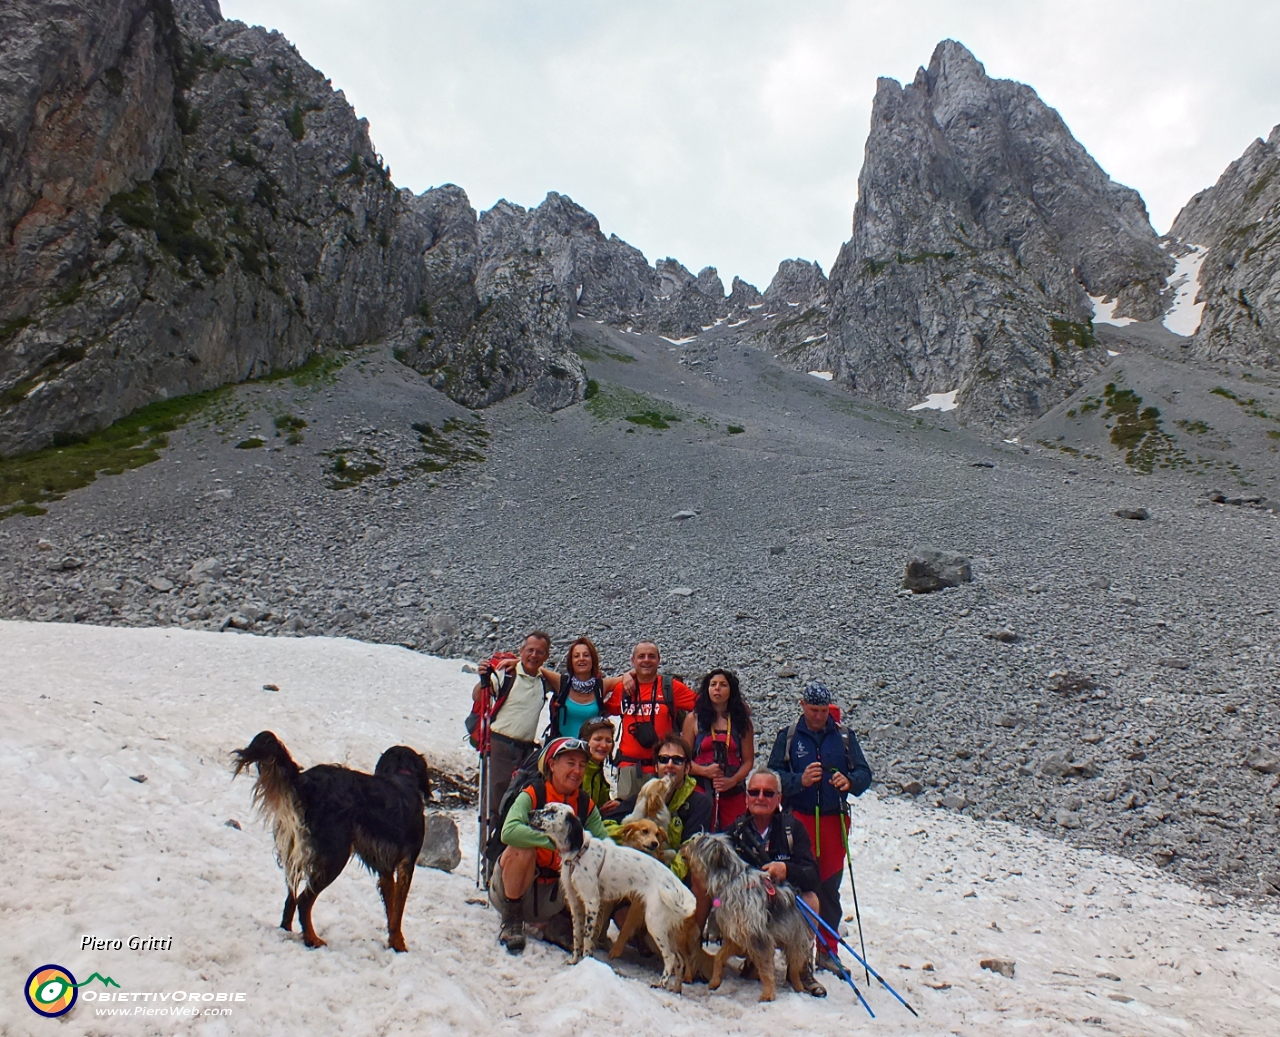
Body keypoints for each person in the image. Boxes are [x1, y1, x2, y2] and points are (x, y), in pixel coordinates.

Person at [767, 680, 872, 972]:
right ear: (802, 706)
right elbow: (773, 776)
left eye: (823, 710)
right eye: (813, 710)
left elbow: (864, 774)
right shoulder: (788, 737)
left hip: (833, 820)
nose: (818, 716)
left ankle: (828, 951)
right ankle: (795, 949)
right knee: (797, 885)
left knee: (829, 888)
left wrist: (849, 782)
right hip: (798, 820)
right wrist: (798, 780)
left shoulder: (845, 737)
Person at [490, 736, 610, 954]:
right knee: (521, 848)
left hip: (553, 896)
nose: (577, 771)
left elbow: (604, 846)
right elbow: (509, 831)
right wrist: (554, 842)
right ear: (552, 765)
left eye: (582, 765)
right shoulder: (533, 794)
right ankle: (512, 920)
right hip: (515, 889)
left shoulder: (585, 804)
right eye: (570, 763)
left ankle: (560, 923)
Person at [472, 632, 553, 832]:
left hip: (525, 752)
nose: (533, 655)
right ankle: (488, 859)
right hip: (499, 746)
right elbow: (478, 696)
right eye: (530, 650)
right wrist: (483, 677)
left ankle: (504, 856)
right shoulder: (506, 673)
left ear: (546, 656)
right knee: (493, 804)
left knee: (516, 805)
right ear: (521, 651)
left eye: (539, 652)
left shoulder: (544, 680)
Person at [605, 640, 697, 800]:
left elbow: (703, 706)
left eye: (651, 656)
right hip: (629, 769)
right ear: (632, 661)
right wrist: (624, 676)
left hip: (663, 767)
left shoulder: (671, 687)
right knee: (628, 820)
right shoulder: (623, 689)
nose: (646, 660)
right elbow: (600, 709)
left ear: (659, 660)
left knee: (659, 818)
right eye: (641, 656)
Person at [682, 668, 754, 830]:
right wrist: (704, 771)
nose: (717, 688)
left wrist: (732, 781)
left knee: (736, 833)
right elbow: (683, 759)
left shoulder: (742, 721)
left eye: (723, 685)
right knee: (701, 832)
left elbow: (748, 761)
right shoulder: (693, 719)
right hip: (702, 787)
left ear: (731, 690)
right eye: (713, 684)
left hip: (733, 788)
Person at [651, 733, 713, 872]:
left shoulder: (700, 803)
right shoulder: (644, 795)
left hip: (682, 879)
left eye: (677, 761)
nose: (670, 765)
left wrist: (665, 880)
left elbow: (689, 851)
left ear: (687, 768)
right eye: (663, 759)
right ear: (656, 767)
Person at [540, 637, 623, 740]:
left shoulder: (601, 686)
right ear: (571, 662)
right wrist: (516, 661)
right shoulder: (562, 683)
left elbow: (629, 677)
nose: (581, 658)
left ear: (593, 660)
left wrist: (628, 676)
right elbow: (536, 668)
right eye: (576, 656)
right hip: (562, 750)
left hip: (590, 751)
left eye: (586, 655)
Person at [577, 716, 620, 816]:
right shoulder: (577, 771)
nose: (604, 745)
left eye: (608, 741)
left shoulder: (597, 772)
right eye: (598, 739)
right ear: (585, 741)